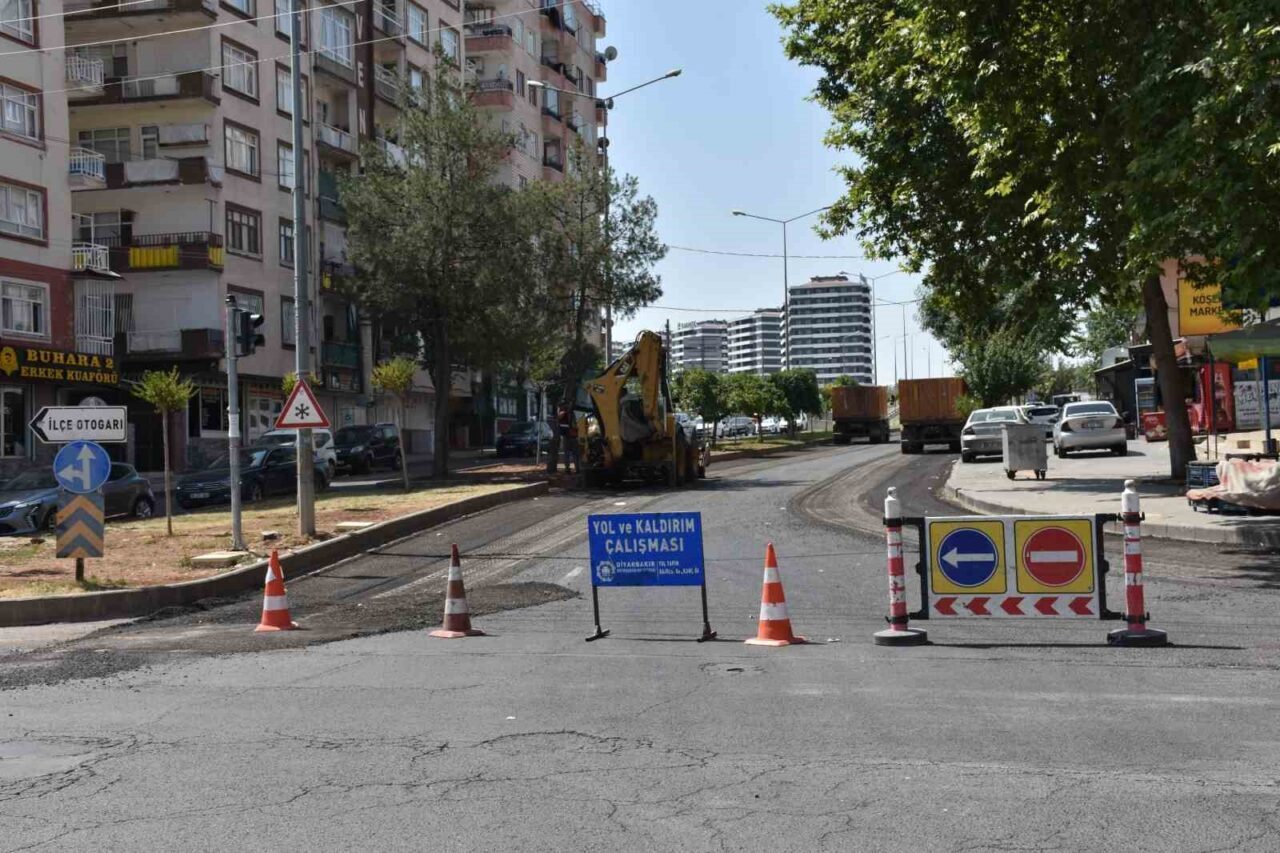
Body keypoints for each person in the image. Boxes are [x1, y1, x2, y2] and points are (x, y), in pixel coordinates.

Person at [558, 404, 578, 474]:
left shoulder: (571, 413)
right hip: (569, 435)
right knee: (569, 453)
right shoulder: (567, 413)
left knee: (572, 453)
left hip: (571, 435)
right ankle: (569, 469)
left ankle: (574, 469)